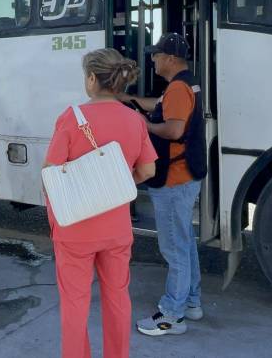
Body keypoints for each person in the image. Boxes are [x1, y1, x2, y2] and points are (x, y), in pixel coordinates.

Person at [44, 48, 157, 358]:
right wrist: (114, 183)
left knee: (75, 305)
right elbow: (148, 170)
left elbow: (50, 172)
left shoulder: (72, 117)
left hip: (75, 230)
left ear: (92, 78)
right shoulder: (134, 119)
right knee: (118, 297)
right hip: (117, 229)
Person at [118, 33, 207, 337]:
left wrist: (143, 124)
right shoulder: (184, 84)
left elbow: (173, 130)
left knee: (174, 249)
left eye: (156, 55)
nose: (153, 60)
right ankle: (192, 303)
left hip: (173, 180)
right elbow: (156, 104)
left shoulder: (179, 89)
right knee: (185, 245)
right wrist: (125, 100)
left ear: (170, 58)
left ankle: (171, 316)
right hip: (186, 177)